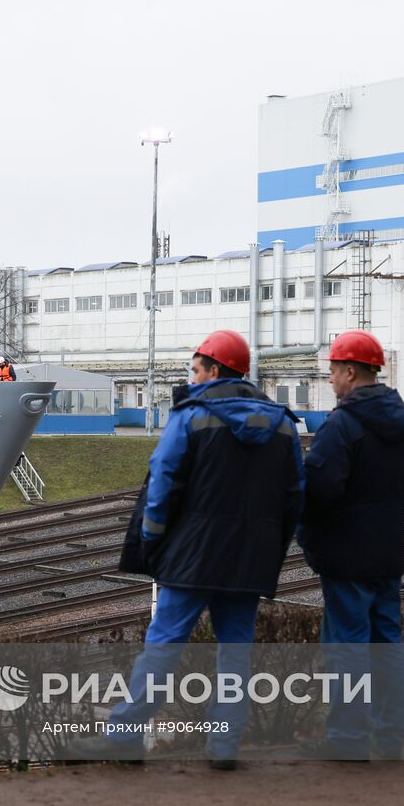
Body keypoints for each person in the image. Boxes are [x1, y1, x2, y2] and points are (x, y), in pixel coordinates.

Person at [74, 329, 303, 769]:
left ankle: (124, 736)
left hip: (193, 552)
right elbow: (295, 495)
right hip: (249, 557)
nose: (191, 378)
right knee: (236, 650)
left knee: (164, 643)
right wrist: (271, 547)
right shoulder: (282, 424)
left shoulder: (192, 415)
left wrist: (153, 538)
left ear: (214, 370)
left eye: (196, 370)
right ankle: (224, 746)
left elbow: (163, 481)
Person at [296, 331, 404, 761]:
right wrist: (382, 513)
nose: (331, 379)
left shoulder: (342, 425)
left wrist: (312, 528)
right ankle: (391, 735)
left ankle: (348, 738)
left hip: (344, 553)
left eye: (334, 371)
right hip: (387, 550)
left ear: (351, 372)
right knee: (386, 642)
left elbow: (318, 490)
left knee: (347, 647)